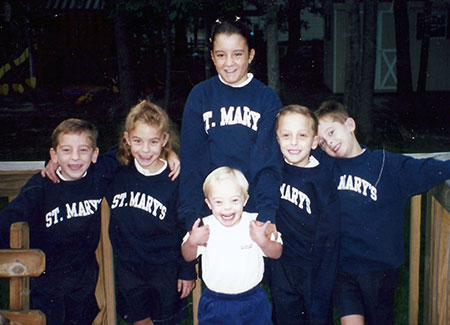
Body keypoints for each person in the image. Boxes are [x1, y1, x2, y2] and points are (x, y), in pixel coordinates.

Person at [315, 100, 450, 325]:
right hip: (343, 268)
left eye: (332, 132)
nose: (330, 143)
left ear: (349, 124)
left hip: (380, 270)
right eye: (322, 142)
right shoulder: (326, 167)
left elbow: (429, 169)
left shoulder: (386, 164)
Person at [0, 118, 119, 324]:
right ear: (53, 155)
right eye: (66, 150)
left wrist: (170, 155)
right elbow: (7, 221)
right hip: (46, 281)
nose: (75, 157)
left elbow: (126, 147)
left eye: (83, 150)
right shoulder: (41, 187)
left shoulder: (99, 173)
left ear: (95, 155)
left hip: (83, 280)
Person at [178, 17, 283, 233]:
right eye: (221, 55)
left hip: (253, 211)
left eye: (237, 54)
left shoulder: (266, 99)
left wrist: (267, 213)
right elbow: (192, 160)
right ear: (212, 57)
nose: (229, 62)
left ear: (250, 55)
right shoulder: (200, 95)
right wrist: (191, 216)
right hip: (211, 212)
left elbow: (269, 161)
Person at [105, 100, 196, 325]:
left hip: (166, 267)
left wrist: (186, 270)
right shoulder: (117, 170)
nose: (145, 150)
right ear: (126, 139)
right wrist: (53, 161)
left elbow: (187, 227)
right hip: (129, 267)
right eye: (137, 141)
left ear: (165, 140)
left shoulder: (175, 180)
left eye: (153, 142)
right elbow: (81, 160)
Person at [182, 166, 283, 325]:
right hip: (216, 302)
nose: (227, 207)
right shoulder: (204, 227)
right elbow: (187, 256)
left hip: (253, 300)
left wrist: (263, 242)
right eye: (219, 202)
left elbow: (277, 252)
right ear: (209, 203)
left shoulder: (256, 223)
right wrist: (192, 242)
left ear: (246, 199)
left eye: (234, 200)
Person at [269, 105, 340, 325]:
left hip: (314, 270)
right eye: (286, 135)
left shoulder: (323, 178)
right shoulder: (273, 170)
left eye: (302, 136)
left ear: (314, 141)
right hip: (282, 267)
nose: (293, 143)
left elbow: (330, 233)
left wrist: (325, 278)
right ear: (277, 139)